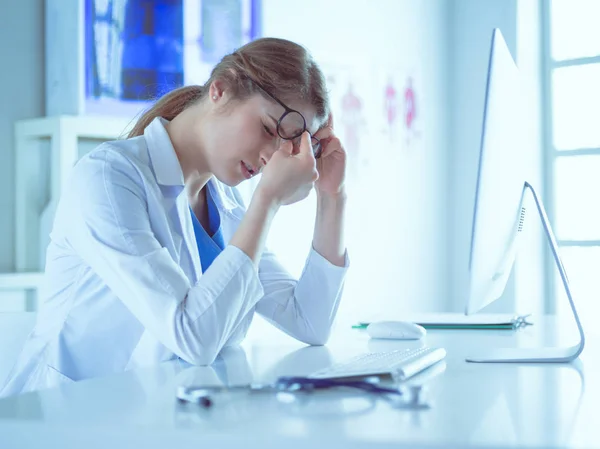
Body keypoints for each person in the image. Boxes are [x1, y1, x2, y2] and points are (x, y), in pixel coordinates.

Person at [1, 37, 349, 397]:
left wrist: (332, 195)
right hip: (61, 418)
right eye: (266, 128)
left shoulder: (224, 201)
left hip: (153, 416)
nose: (270, 157)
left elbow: (310, 321)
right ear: (220, 90)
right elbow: (192, 337)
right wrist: (267, 201)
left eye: (287, 143)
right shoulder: (108, 178)